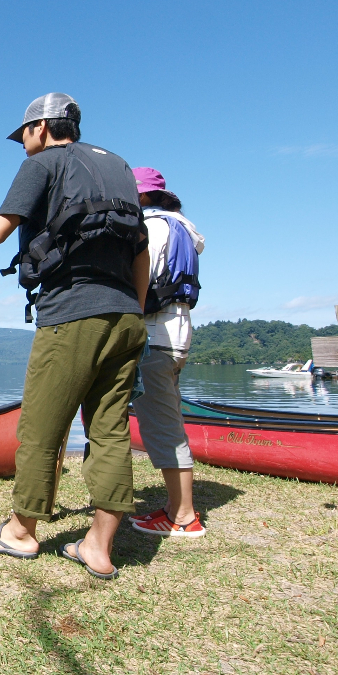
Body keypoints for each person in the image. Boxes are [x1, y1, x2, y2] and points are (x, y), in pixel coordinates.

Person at [0, 93, 149, 579]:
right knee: (109, 431)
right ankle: (99, 546)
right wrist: (136, 311)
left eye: (23, 133)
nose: (22, 143)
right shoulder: (121, 167)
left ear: (41, 127)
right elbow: (141, 254)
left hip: (72, 314)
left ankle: (21, 532)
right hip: (128, 315)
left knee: (41, 428)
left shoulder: (42, 163)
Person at [128, 168, 207, 538]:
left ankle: (183, 516)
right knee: (167, 418)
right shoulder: (183, 229)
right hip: (177, 333)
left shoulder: (153, 228)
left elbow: (141, 278)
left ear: (143, 196)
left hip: (156, 335)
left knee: (162, 424)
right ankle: (177, 508)